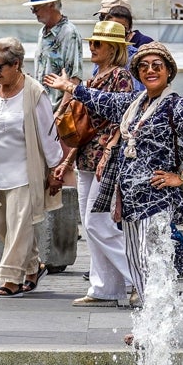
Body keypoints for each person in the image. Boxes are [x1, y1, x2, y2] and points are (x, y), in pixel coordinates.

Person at [44, 42, 183, 299]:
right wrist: (70, 88)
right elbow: (103, 100)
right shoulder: (136, 102)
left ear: (168, 71)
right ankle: (146, 324)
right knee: (137, 263)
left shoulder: (175, 105)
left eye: (157, 66)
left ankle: (159, 324)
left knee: (153, 262)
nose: (150, 70)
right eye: (143, 66)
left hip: (157, 198)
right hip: (131, 198)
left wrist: (182, 177)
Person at [0, 37, 65, 298]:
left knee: (20, 227)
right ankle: (34, 267)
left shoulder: (34, 92)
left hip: (25, 172)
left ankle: (10, 279)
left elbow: (48, 133)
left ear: (17, 64)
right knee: (0, 224)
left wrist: (57, 169)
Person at [50, 21, 135, 307]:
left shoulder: (121, 76)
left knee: (98, 223)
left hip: (106, 159)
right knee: (90, 223)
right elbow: (85, 128)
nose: (92, 47)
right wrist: (67, 161)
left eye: (98, 43)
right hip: (87, 157)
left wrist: (75, 90)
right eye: (92, 42)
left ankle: (136, 279)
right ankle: (105, 287)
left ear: (113, 48)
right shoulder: (94, 77)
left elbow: (122, 114)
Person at [26, 0, 83, 106]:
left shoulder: (69, 33)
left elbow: (74, 77)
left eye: (36, 8)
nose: (34, 13)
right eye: (32, 9)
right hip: (41, 106)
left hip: (57, 109)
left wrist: (61, 113)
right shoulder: (42, 32)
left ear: (51, 5)